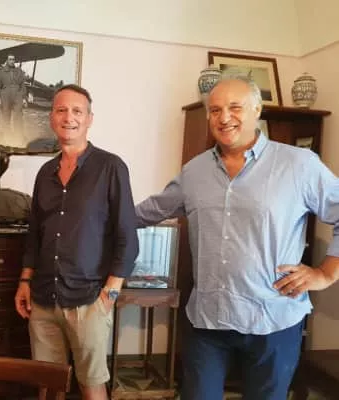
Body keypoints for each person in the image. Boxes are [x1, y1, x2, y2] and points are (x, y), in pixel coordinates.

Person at [135, 75, 339, 400]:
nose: (224, 117)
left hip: (273, 319)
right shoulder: (194, 171)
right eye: (215, 110)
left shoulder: (299, 164)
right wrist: (94, 215)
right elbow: (149, 211)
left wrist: (325, 273)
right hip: (208, 320)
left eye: (235, 107)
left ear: (257, 110)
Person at [14, 84, 139, 400]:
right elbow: (35, 234)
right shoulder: (45, 172)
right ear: (52, 118)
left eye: (76, 111)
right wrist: (25, 281)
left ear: (89, 119)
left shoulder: (111, 167)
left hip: (89, 299)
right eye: (61, 110)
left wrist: (110, 294)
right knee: (47, 385)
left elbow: (127, 235)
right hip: (43, 298)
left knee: (91, 385)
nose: (68, 117)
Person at [0, 54, 26, 134]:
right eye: (10, 59)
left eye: (13, 59)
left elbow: (22, 85)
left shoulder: (19, 71)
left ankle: (18, 136)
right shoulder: (1, 71)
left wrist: (24, 98)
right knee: (6, 116)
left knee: (18, 117)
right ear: (7, 60)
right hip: (5, 96)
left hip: (17, 95)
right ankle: (7, 136)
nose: (12, 61)